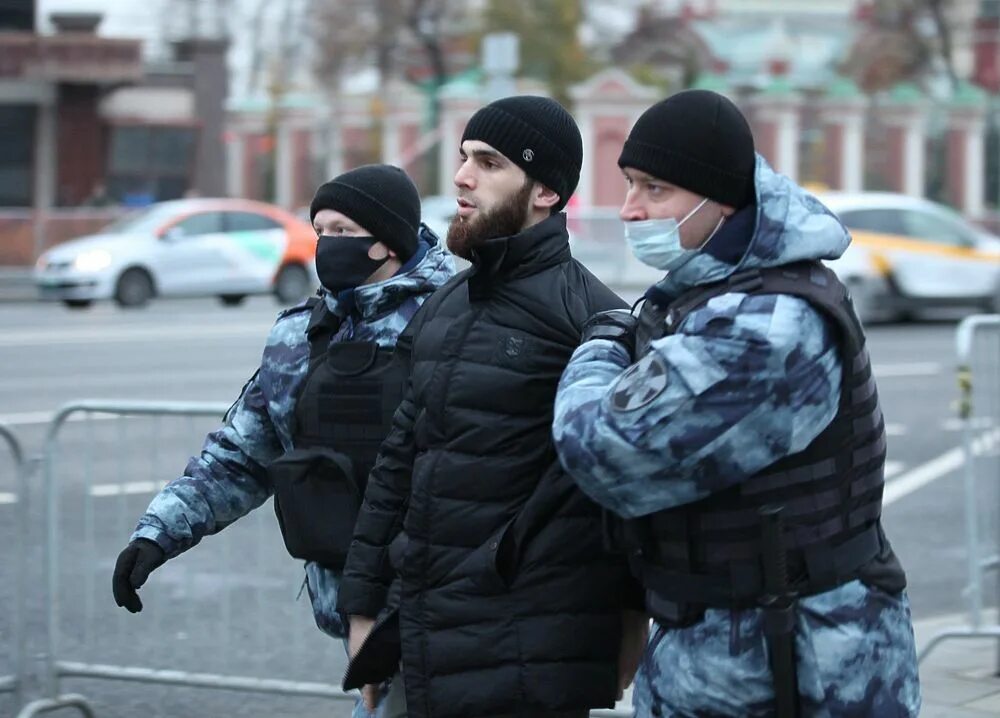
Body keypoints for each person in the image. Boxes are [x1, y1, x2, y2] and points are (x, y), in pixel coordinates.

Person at [552, 89, 922, 717]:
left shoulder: (768, 327)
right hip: (732, 649)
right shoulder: (712, 290)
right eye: (629, 185)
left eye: (654, 189)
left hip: (797, 668)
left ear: (720, 200)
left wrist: (604, 343)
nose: (629, 210)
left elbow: (600, 448)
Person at [337, 96, 647, 718]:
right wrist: (363, 608)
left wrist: (630, 625)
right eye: (463, 158)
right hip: (420, 641)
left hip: (528, 660)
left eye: (489, 162)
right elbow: (398, 465)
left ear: (545, 192)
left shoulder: (594, 319)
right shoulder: (445, 306)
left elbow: (624, 498)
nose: (461, 176)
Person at [111, 164, 455, 718]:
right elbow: (241, 456)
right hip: (352, 608)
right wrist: (157, 534)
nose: (327, 246)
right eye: (321, 231)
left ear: (387, 240)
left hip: (444, 607)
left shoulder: (458, 318)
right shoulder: (300, 333)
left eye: (343, 231)